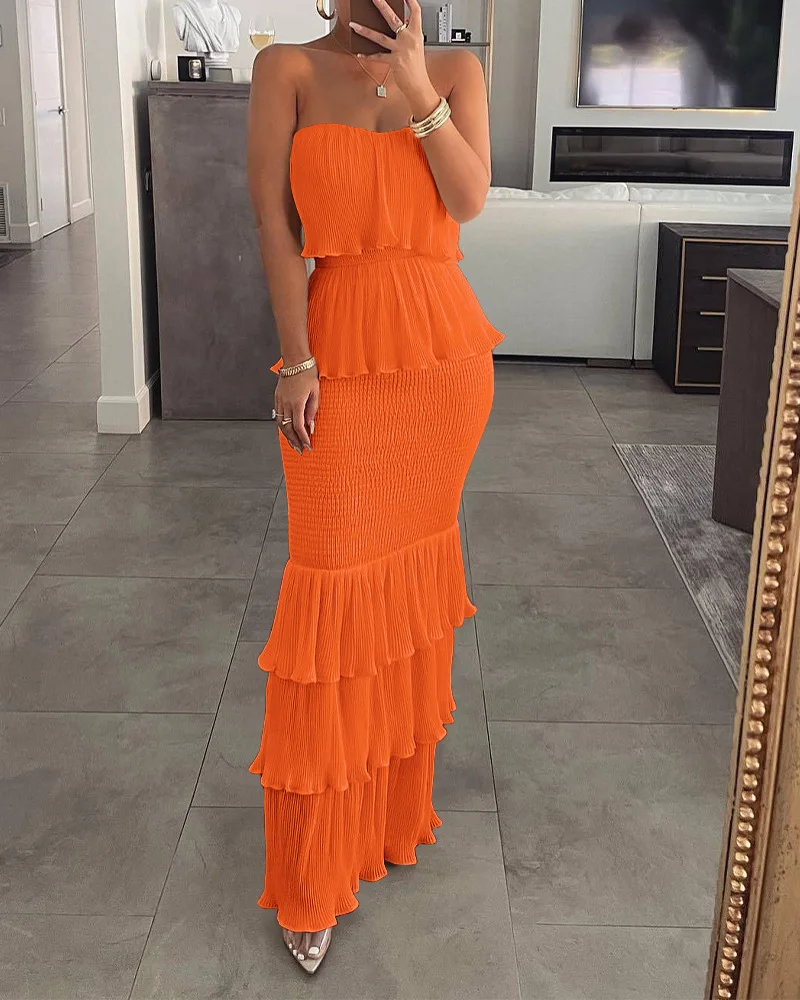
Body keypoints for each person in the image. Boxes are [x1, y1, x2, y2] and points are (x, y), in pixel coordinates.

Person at [246, 0, 503, 975]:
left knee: (405, 606)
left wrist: (419, 84)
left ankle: (387, 820)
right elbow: (274, 223)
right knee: (329, 594)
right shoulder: (286, 71)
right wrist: (294, 360)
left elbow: (468, 202)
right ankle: (312, 870)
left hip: (442, 363)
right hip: (338, 353)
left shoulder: (458, 72)